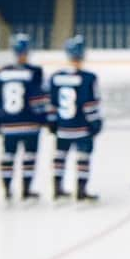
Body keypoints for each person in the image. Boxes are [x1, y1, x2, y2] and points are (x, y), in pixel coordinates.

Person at [0, 32, 50, 201]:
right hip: (29, 123)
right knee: (29, 156)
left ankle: (7, 189)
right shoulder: (35, 72)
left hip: (8, 124)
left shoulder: (2, 72)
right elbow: (39, 99)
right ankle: (26, 189)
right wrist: (46, 117)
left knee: (8, 155)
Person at [48, 35, 102, 203]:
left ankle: (57, 189)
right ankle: (81, 190)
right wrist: (95, 121)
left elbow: (52, 103)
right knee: (83, 158)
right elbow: (89, 103)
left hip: (63, 127)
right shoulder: (88, 78)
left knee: (59, 157)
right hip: (81, 127)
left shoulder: (56, 77)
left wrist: (52, 121)